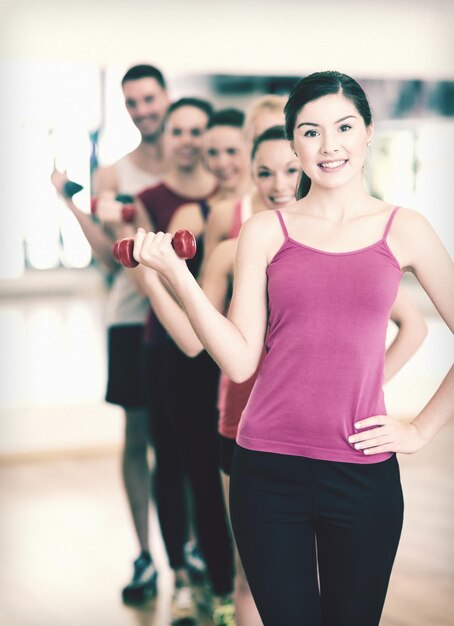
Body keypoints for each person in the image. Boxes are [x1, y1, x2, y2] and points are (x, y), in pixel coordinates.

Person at [131, 71, 453, 626]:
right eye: (310, 132)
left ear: (369, 132)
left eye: (344, 127)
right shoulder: (264, 231)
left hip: (362, 473)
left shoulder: (405, 229)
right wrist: (176, 277)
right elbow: (237, 360)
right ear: (293, 141)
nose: (329, 146)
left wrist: (422, 428)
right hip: (267, 473)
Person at [51, 63, 169, 605]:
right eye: (132, 102)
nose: (142, 109)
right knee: (139, 436)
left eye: (149, 98)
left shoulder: (198, 160)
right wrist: (71, 205)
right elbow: (107, 260)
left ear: (165, 97)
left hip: (191, 318)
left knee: (187, 442)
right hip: (131, 318)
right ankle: (145, 555)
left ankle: (192, 554)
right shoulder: (114, 175)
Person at [134, 97, 237, 624]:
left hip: (231, 354)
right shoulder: (185, 212)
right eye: (192, 135)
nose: (207, 150)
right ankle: (190, 577)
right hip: (178, 347)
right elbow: (188, 316)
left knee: (221, 475)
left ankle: (228, 583)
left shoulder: (256, 209)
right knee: (180, 466)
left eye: (221, 144)